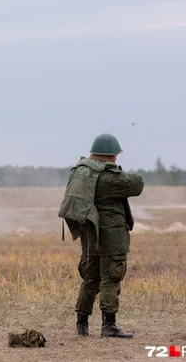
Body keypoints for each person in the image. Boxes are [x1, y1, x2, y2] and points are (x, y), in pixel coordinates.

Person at [58, 133, 144, 338]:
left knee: (90, 279)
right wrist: (115, 170)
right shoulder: (109, 178)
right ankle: (109, 326)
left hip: (90, 234)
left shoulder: (83, 173)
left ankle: (82, 325)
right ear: (112, 155)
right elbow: (137, 184)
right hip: (112, 236)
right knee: (111, 279)